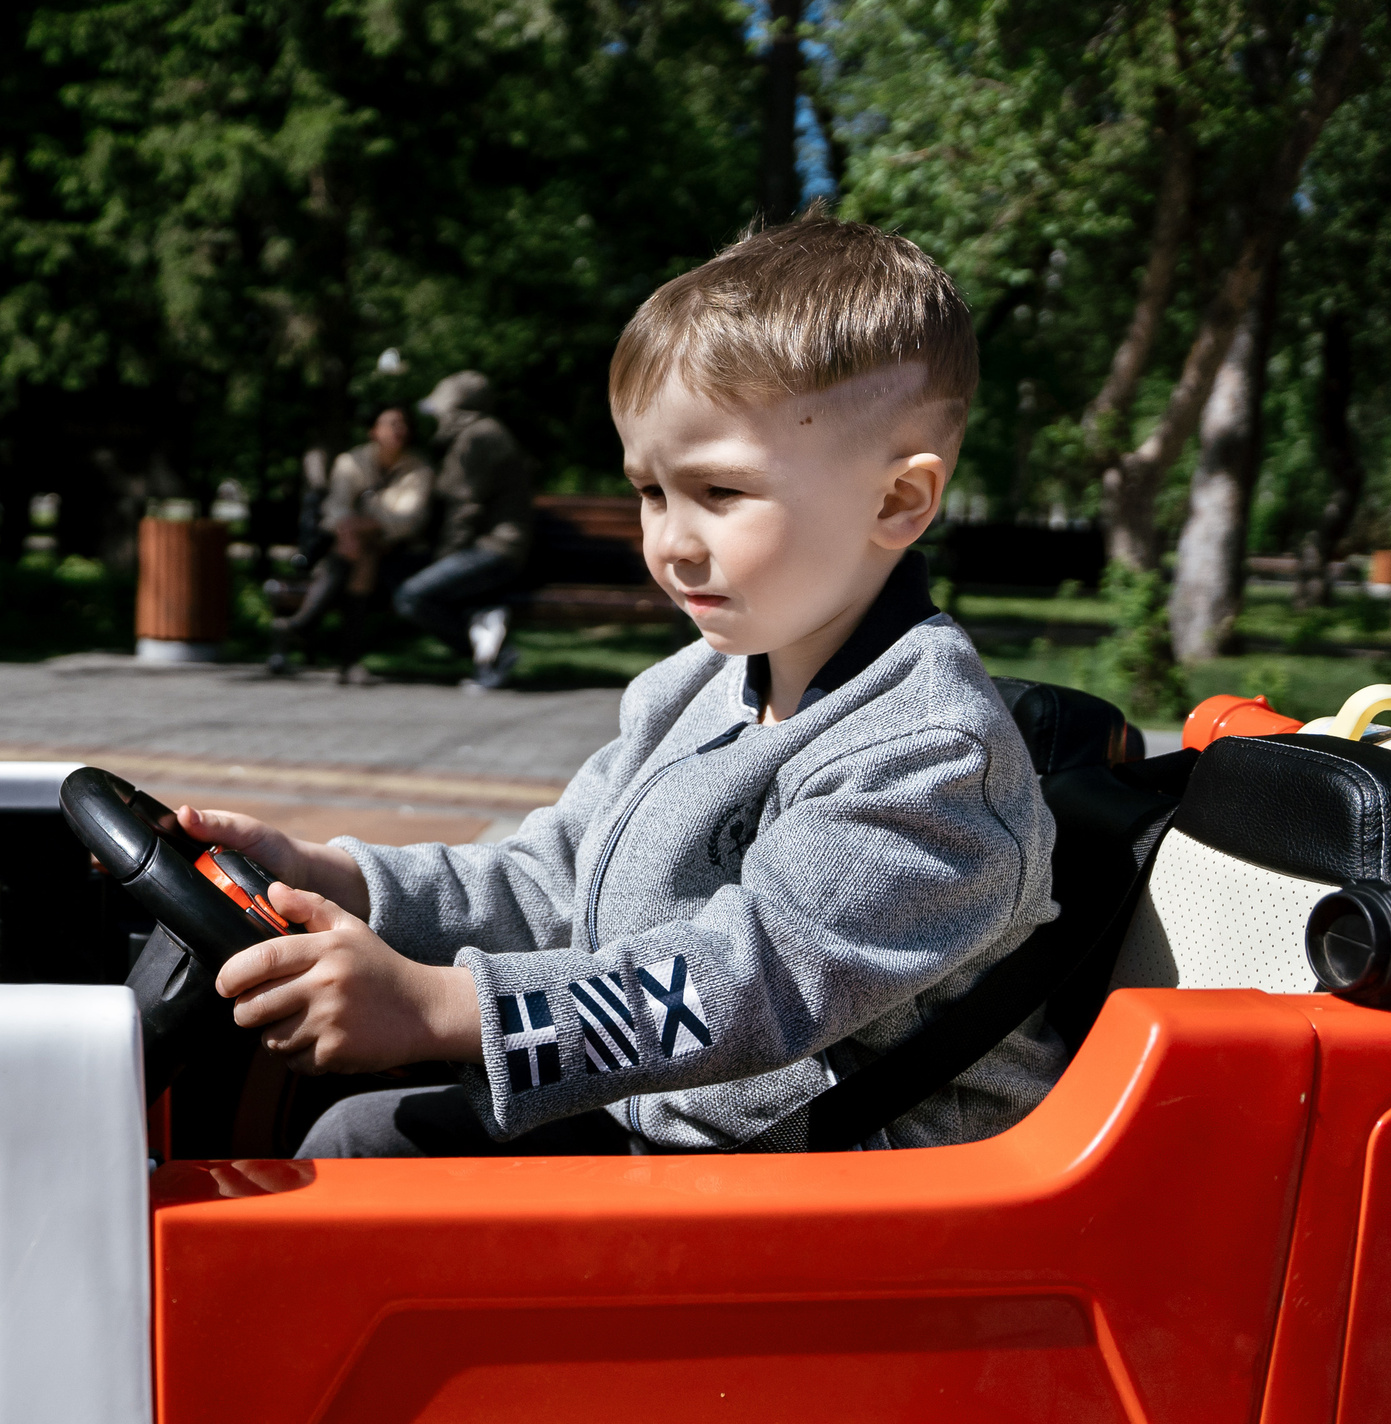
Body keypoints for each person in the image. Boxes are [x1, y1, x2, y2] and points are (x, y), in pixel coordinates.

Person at [178, 216, 1062, 1157]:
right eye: (651, 491)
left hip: (862, 1211)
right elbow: (551, 877)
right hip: (678, 1134)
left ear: (898, 502)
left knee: (357, 1168)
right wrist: (335, 878)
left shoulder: (928, 755)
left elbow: (746, 981)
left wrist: (443, 1007)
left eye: (720, 493)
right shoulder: (696, 685)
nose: (672, 542)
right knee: (359, 1139)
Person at [393, 371, 534, 691]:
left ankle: (496, 656)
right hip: (490, 549)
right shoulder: (479, 433)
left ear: (456, 407)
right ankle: (489, 652)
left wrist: (446, 558)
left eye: (441, 408)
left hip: (494, 550)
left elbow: (465, 508)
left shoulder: (479, 436)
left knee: (412, 597)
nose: (437, 417)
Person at [271, 406, 432, 679]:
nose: (399, 430)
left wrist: (363, 525)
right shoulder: (351, 462)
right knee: (363, 553)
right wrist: (350, 528)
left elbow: (408, 521)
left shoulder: (419, 469)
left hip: (399, 555)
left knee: (361, 547)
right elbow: (335, 509)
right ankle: (347, 661)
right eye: (391, 423)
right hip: (356, 551)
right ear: (374, 432)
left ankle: (301, 624)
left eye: (403, 424)